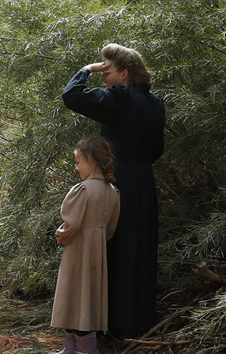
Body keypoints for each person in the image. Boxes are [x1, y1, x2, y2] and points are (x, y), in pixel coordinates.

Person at [62, 43, 165, 332]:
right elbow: (157, 149)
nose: (102, 77)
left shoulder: (120, 99)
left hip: (117, 182)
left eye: (105, 70)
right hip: (144, 181)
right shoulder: (155, 102)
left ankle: (113, 326)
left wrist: (85, 69)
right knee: (140, 248)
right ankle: (137, 323)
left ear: (124, 73)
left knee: (115, 248)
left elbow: (71, 96)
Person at [51, 138, 121, 354]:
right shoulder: (112, 191)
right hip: (97, 251)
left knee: (72, 295)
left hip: (78, 249)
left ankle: (78, 352)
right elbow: (111, 228)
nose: (77, 167)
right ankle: (81, 351)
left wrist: (60, 235)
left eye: (79, 161)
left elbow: (71, 224)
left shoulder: (82, 190)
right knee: (88, 297)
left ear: (91, 161)